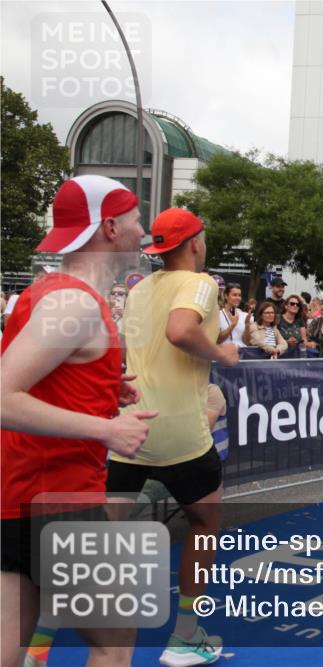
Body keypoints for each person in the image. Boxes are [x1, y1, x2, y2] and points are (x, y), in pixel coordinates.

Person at [1, 176, 154, 667]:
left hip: (16, 497)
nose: (142, 230)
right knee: (113, 645)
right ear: (110, 227)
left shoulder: (54, 292)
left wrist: (104, 388)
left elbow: (40, 382)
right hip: (61, 499)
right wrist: (107, 429)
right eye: (134, 218)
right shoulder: (76, 303)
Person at [109, 207, 240, 666]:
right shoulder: (201, 283)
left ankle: (38, 644)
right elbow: (180, 330)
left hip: (128, 426)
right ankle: (185, 636)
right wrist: (222, 354)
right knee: (204, 523)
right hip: (180, 430)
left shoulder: (140, 288)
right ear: (195, 244)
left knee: (102, 535)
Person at [218, 283, 252, 348]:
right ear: (226, 296)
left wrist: (247, 324)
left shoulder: (245, 316)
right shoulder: (218, 315)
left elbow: (247, 342)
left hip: (241, 354)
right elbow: (218, 340)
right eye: (234, 295)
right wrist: (233, 324)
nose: (238, 298)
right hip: (224, 353)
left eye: (239, 295)